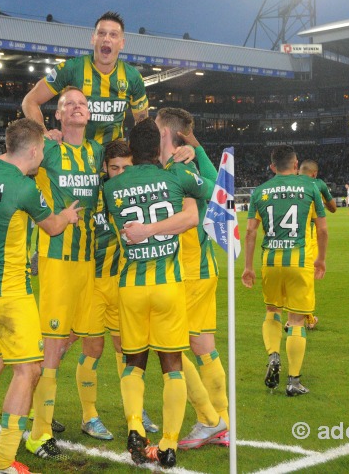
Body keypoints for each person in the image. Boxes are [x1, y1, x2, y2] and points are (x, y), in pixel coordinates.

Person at [0, 87, 104, 462]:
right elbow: (2, 159)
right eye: (68, 104)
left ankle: (66, 413)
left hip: (88, 263)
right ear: (56, 116)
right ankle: (38, 433)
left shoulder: (97, 152)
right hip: (57, 260)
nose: (77, 108)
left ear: (89, 114)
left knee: (83, 339)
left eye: (82, 104)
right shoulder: (50, 150)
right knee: (53, 349)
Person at [0, 119, 83, 474]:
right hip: (9, 292)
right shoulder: (23, 188)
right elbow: (52, 227)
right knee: (28, 371)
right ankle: (4, 463)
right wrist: (68, 216)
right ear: (35, 150)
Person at [124, 108, 229, 449]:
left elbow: (221, 194)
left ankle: (210, 419)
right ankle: (220, 421)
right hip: (195, 269)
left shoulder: (180, 167)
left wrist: (194, 149)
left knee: (171, 346)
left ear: (166, 133)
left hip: (188, 271)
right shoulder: (172, 166)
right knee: (204, 348)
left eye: (155, 128)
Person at [102, 119, 199, 468]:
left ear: (131, 148)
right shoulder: (174, 177)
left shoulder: (112, 187)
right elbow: (200, 203)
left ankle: (133, 426)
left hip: (131, 286)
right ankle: (169, 443)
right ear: (157, 147)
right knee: (172, 365)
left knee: (133, 363)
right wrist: (190, 153)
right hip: (168, 285)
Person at [242, 145, 328, 397]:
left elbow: (249, 232)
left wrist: (248, 266)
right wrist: (321, 259)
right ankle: (293, 381)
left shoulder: (259, 191)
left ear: (272, 167)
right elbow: (322, 230)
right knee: (297, 321)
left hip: (270, 261)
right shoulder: (310, 187)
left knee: (272, 312)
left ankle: (273, 355)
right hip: (299, 260)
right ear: (295, 164)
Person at [87, 140, 159, 440]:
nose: (119, 173)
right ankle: (89, 416)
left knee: (126, 350)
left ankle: (136, 411)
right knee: (92, 350)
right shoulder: (95, 194)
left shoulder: (136, 195)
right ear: (104, 168)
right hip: (90, 283)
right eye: (113, 167)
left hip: (121, 283)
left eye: (125, 167)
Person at [21, 11, 149, 145]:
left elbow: (143, 123)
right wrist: (43, 134)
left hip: (112, 159)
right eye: (101, 33)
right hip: (74, 155)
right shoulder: (70, 69)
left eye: (113, 35)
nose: (106, 39)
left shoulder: (133, 77)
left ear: (122, 43)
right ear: (93, 38)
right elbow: (29, 101)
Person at [296, 159, 337, 330]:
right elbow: (333, 208)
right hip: (309, 236)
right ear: (314, 173)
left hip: (288, 236)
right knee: (306, 279)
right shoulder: (318, 184)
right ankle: (307, 318)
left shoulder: (290, 182)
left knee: (294, 276)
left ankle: (295, 315)